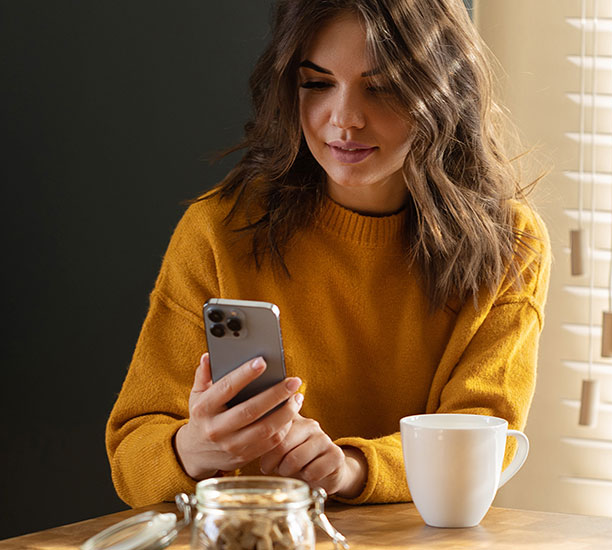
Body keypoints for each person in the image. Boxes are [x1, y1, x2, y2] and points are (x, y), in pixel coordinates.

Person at [106, 0, 551, 508]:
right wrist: (195, 447)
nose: (344, 119)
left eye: (381, 87)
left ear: (441, 89)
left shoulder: (510, 244)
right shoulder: (217, 231)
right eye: (317, 84)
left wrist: (350, 469)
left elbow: (480, 442)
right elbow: (131, 458)